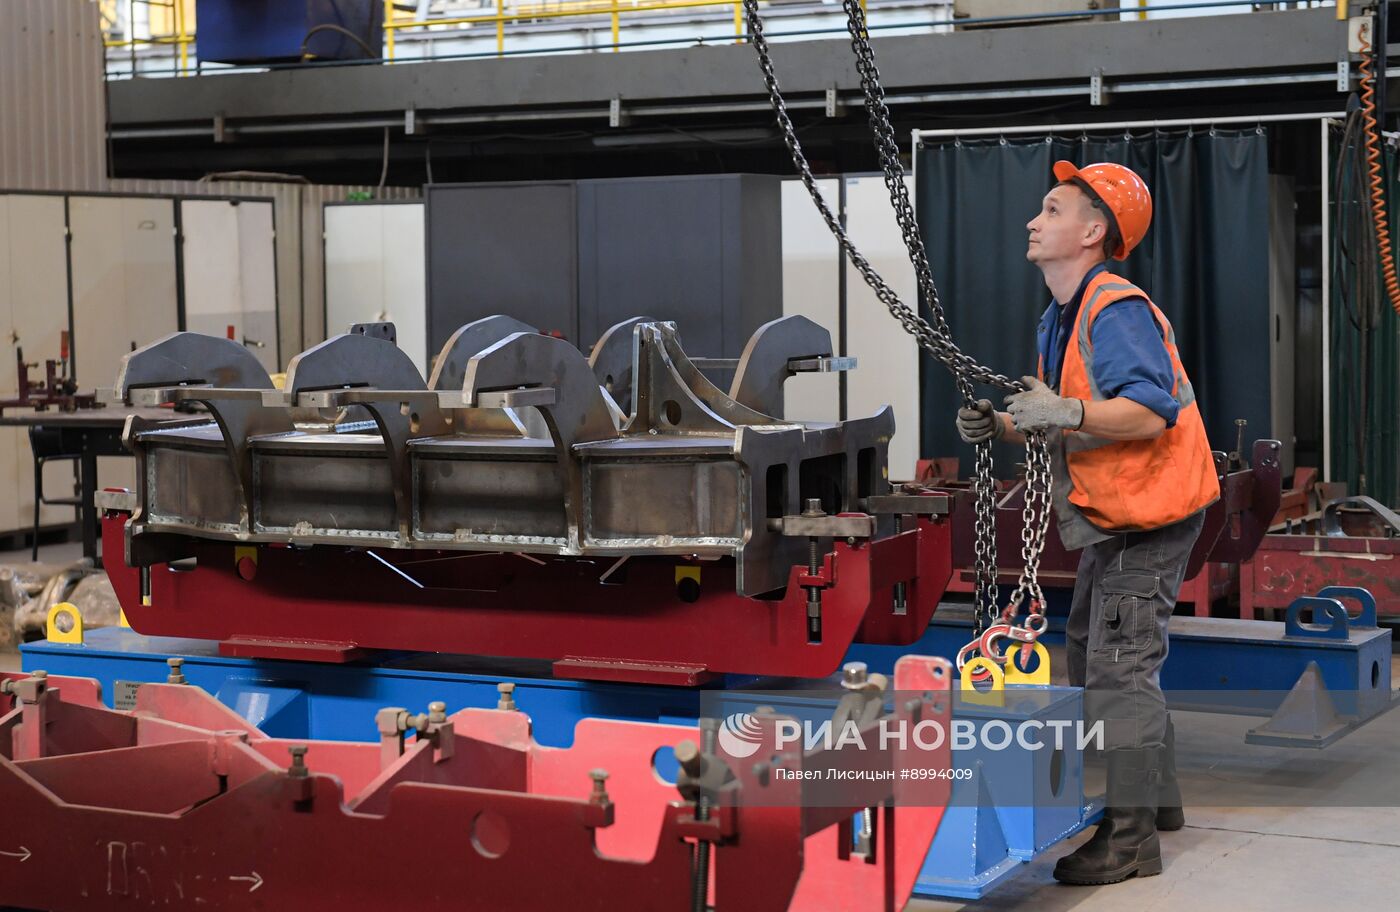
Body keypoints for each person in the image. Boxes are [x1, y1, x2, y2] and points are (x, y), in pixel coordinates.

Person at [955, 160, 1220, 885]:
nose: (1034, 222)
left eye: (1052, 209)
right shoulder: (1061, 317)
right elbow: (1073, 418)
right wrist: (1007, 425)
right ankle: (1156, 800)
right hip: (1121, 513)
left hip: (1153, 513)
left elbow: (1146, 409)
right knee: (1093, 650)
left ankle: (1132, 840)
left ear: (1093, 231)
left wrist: (1063, 412)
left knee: (1117, 668)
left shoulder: (1115, 308)